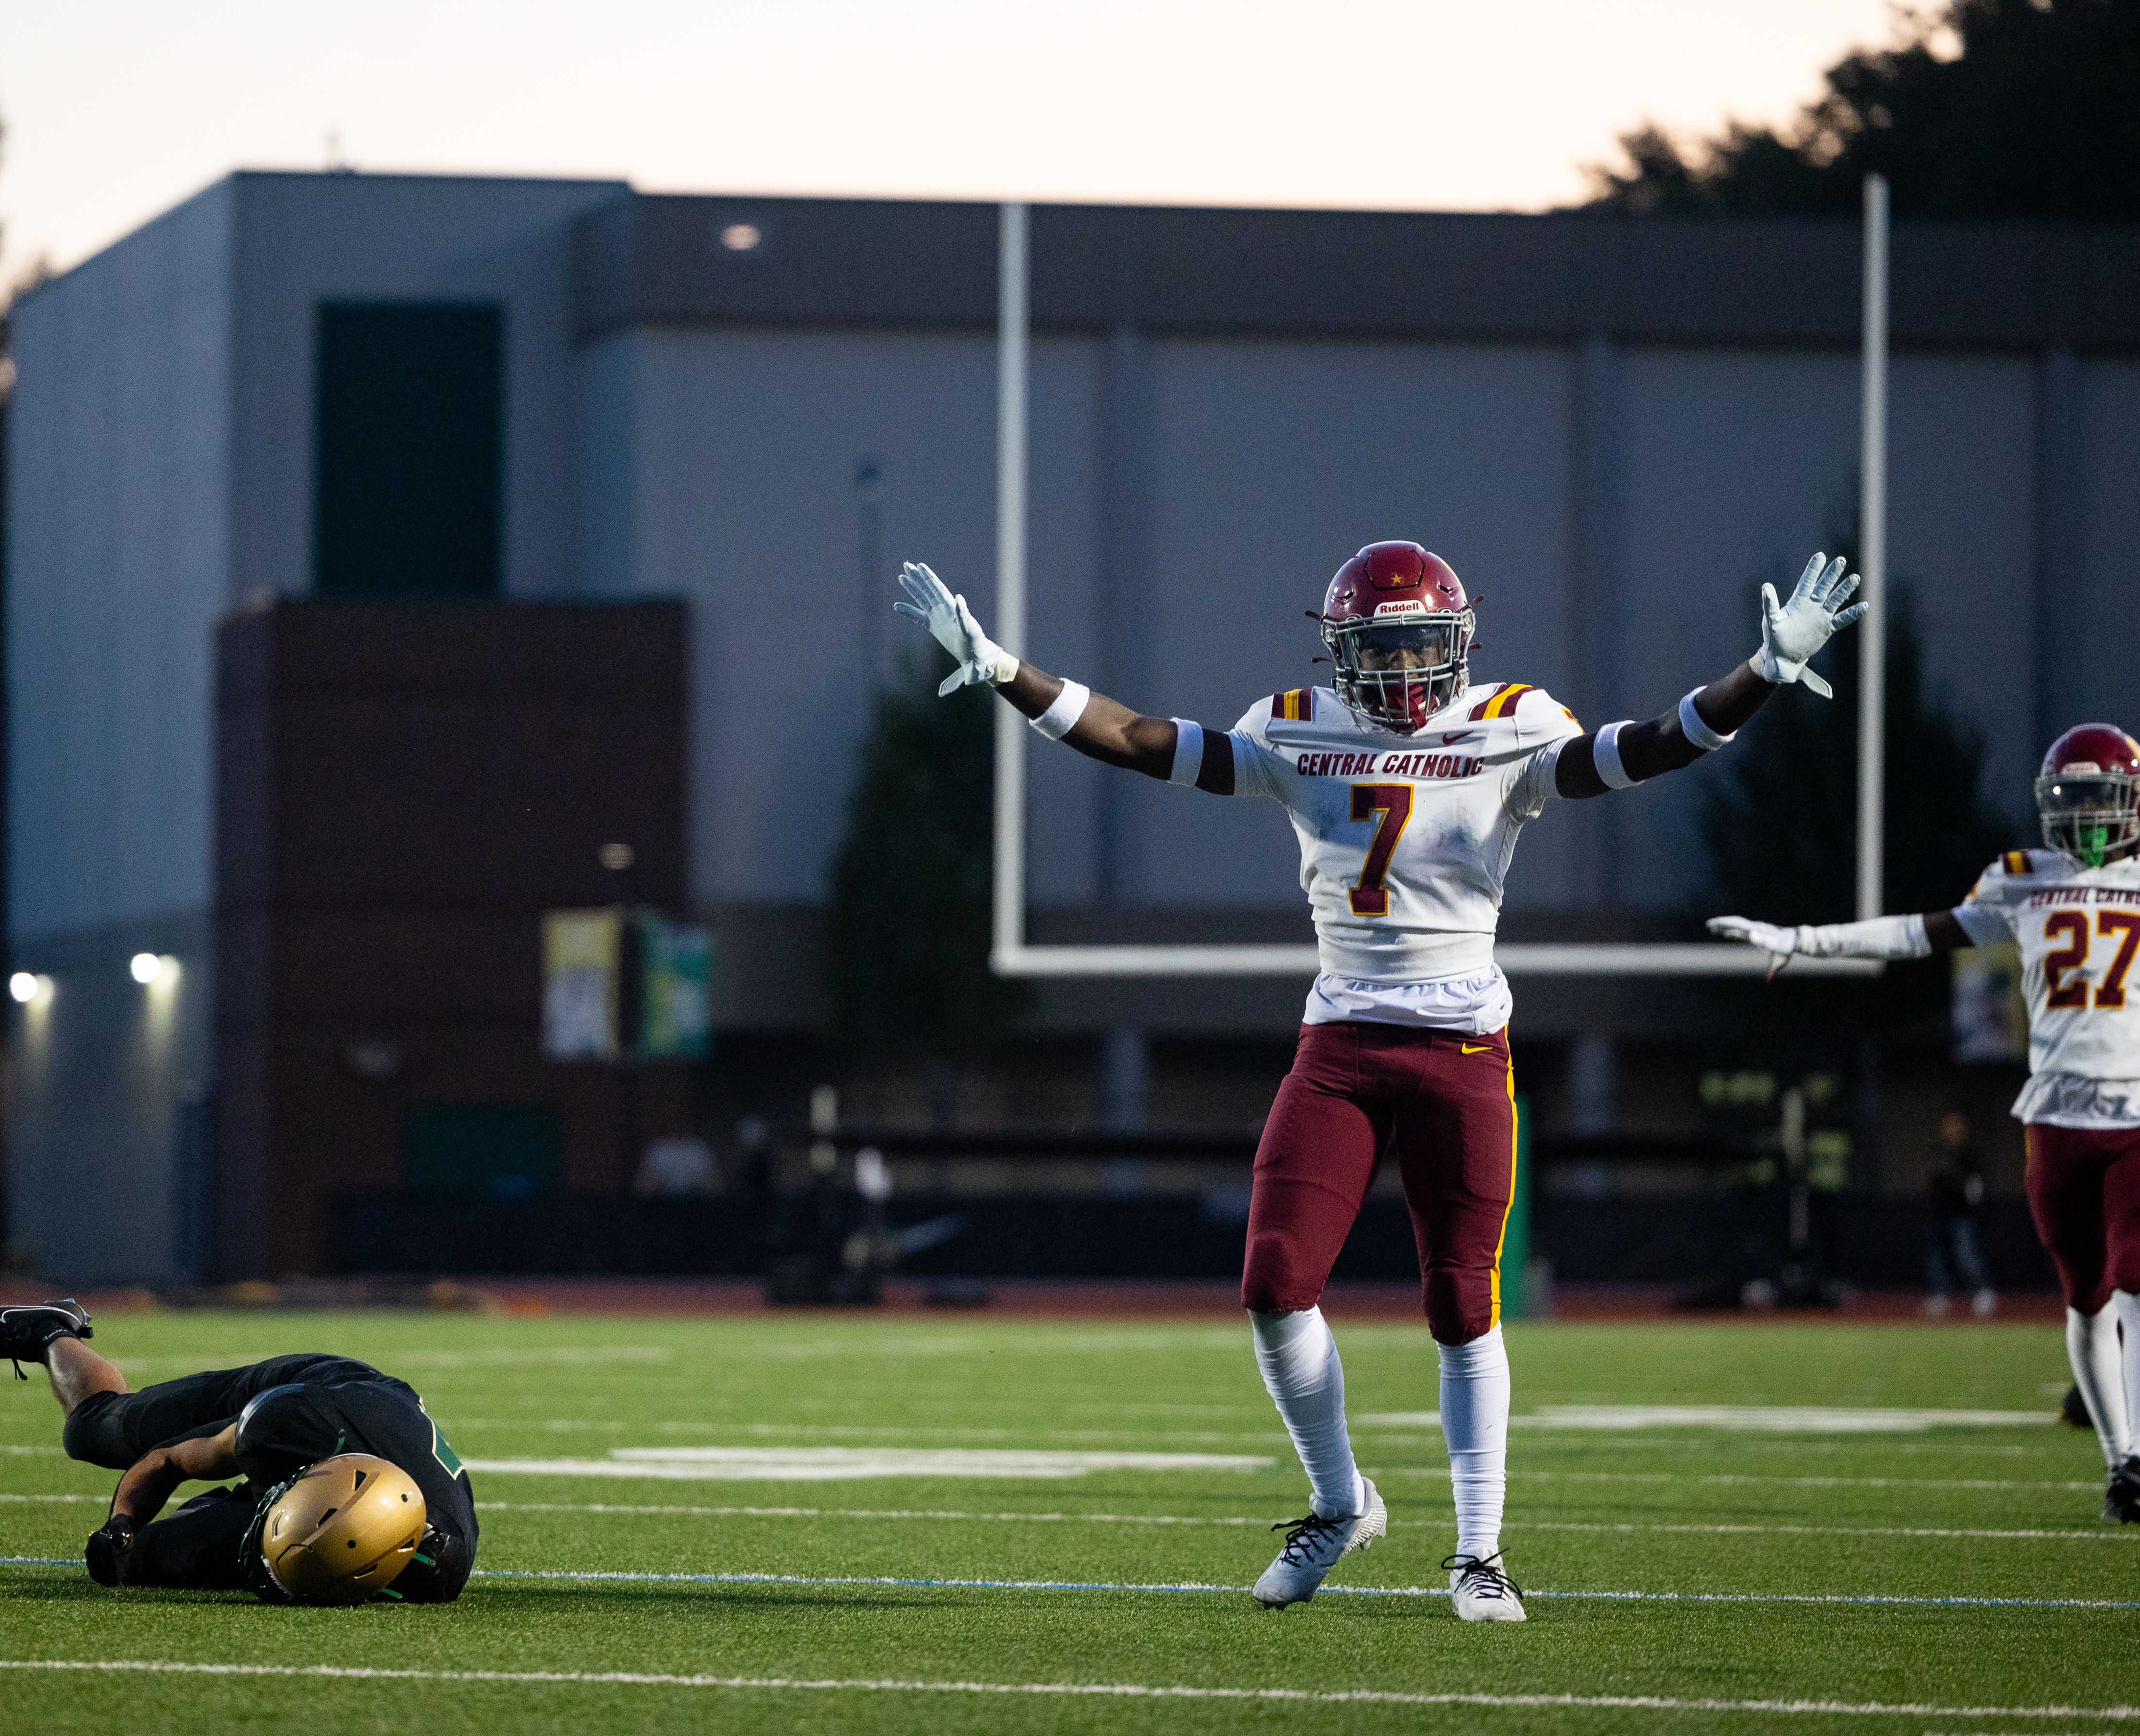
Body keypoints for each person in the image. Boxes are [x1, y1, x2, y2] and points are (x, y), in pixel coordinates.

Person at [896, 542, 1863, 1621]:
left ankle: (1478, 1551)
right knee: (1271, 1283)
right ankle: (1338, 1501)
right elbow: (1137, 739)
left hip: (1459, 1046)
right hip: (1341, 1045)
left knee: (1460, 1300)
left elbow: (1641, 751)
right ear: (1339, 652)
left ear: (1459, 645)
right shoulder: (1295, 726)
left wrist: (1759, 680)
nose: (1402, 669)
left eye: (1418, 643)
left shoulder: (1512, 722)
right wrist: (1004, 671)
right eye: (1379, 646)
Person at [1709, 722, 2140, 1523]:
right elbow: (1914, 932)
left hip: (2135, 1112)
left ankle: (2137, 1459)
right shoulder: (2020, 879)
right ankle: (2119, 1461)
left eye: (2097, 800)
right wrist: (1803, 940)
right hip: (2052, 1112)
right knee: (2083, 1299)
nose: (2083, 819)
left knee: (2134, 1280)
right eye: (2071, 801)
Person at [0, 1298, 479, 1601]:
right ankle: (45, 1332)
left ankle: (221, 1518)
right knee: (93, 1433)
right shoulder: (280, 1429)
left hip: (344, 1461)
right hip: (317, 1393)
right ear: (297, 1479)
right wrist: (119, 1524)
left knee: (149, 1562)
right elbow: (165, 1459)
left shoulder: (437, 1571)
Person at [1924, 1111, 1999, 1319]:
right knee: (1938, 1258)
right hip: (1938, 1214)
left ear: (1963, 1130)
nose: (1952, 1131)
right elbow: (1927, 1179)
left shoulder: (1969, 1156)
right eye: (1949, 1127)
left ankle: (1984, 1294)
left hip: (1961, 1215)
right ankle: (1940, 1296)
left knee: (1968, 1256)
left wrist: (1958, 1187)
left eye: (1957, 1127)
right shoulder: (1938, 1152)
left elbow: (1975, 1189)